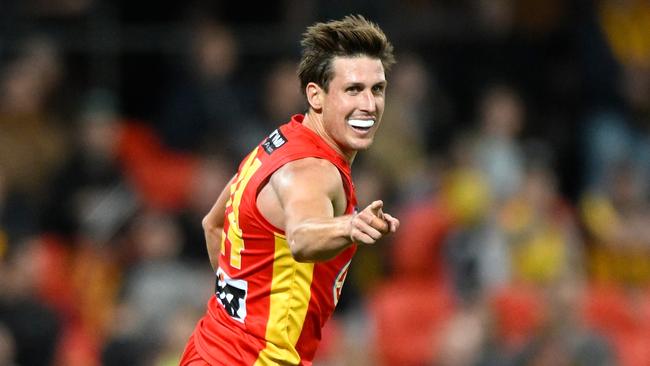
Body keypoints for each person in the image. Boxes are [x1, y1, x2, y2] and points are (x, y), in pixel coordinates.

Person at [180, 15, 400, 365]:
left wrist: (242, 309)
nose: (369, 105)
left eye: (377, 89)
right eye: (353, 90)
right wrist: (349, 225)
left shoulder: (278, 142)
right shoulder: (312, 171)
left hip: (212, 349)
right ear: (316, 94)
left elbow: (214, 224)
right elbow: (301, 237)